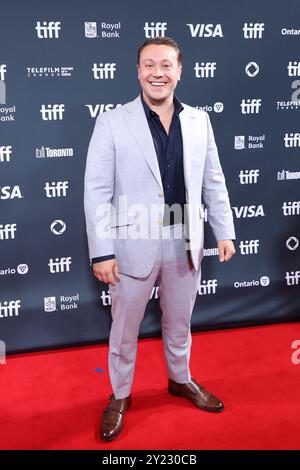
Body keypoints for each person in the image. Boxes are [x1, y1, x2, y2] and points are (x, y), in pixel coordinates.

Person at [84, 37, 236, 442]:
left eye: (166, 65)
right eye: (149, 65)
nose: (158, 73)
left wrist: (224, 231)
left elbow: (213, 180)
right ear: (137, 72)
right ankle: (119, 395)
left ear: (179, 72)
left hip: (185, 239)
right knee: (124, 328)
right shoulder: (112, 121)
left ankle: (180, 379)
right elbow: (96, 190)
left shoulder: (199, 120)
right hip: (132, 242)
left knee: (180, 322)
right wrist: (102, 251)